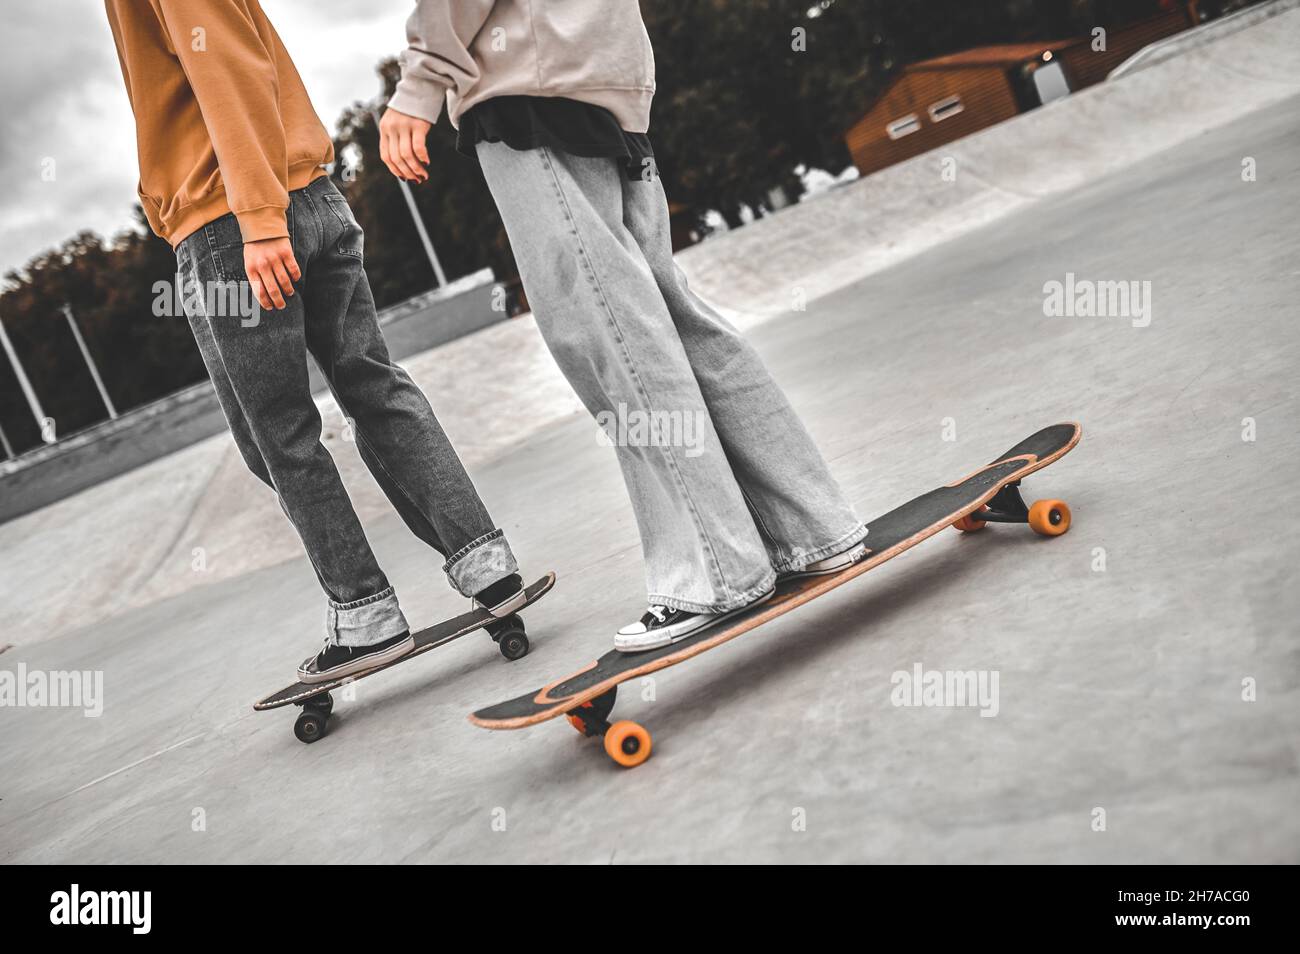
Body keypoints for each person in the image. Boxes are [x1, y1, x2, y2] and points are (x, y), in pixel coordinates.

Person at [379, 0, 867, 652]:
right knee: (670, 317)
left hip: (530, 86)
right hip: (609, 78)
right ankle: (814, 529)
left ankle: (713, 572)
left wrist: (420, 83)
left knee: (606, 333)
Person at [103, 0, 530, 683]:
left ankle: (365, 614)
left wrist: (259, 219)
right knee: (374, 386)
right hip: (312, 194)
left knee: (278, 435)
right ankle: (485, 562)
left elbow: (224, 65)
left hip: (231, 223)